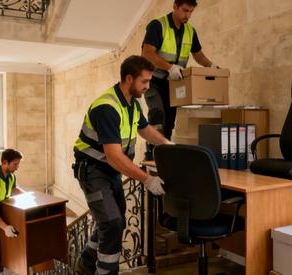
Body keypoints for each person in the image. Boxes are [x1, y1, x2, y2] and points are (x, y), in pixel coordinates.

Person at [73, 55, 172, 275]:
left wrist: (166, 143)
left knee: (114, 218)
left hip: (111, 171)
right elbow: (114, 156)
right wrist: (147, 179)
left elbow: (144, 129)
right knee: (112, 223)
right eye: (144, 81)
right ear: (129, 78)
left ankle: (86, 263)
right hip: (93, 171)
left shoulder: (132, 104)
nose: (148, 86)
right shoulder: (107, 107)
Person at [141, 0, 218, 159]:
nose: (187, 15)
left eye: (191, 12)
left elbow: (197, 54)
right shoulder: (157, 25)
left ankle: (165, 155)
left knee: (169, 121)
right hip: (153, 81)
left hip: (174, 83)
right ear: (175, 6)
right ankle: (151, 155)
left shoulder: (190, 31)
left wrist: (211, 65)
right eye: (184, 10)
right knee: (157, 115)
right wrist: (170, 67)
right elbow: (147, 53)